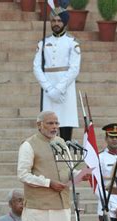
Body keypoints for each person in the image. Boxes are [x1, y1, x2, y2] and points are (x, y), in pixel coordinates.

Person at [33, 6, 81, 142]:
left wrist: (59, 89)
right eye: (53, 20)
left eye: (59, 21)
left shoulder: (72, 43)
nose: (56, 24)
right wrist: (49, 89)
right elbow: (36, 67)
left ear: (65, 23)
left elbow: (74, 69)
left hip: (66, 89)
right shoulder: (43, 43)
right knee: (47, 125)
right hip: (48, 88)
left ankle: (65, 157)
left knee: (65, 124)